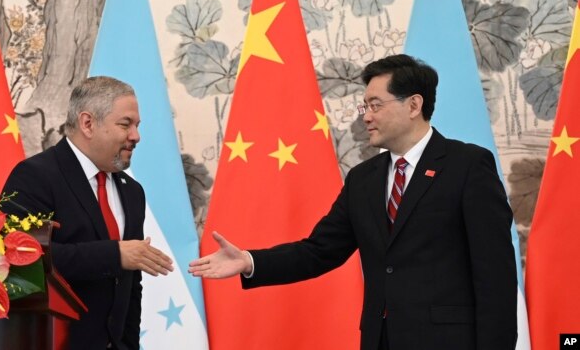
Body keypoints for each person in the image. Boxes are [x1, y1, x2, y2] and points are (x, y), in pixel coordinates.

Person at [189, 54, 517, 350]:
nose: (366, 117)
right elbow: (319, 251)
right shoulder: (364, 179)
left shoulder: (468, 165)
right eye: (365, 107)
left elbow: (495, 277)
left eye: (375, 105)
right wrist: (249, 261)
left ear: (414, 105)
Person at [2, 76, 174, 350]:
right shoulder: (35, 176)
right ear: (88, 123)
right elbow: (21, 260)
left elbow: (130, 289)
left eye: (137, 125)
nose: (136, 136)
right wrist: (115, 254)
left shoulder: (133, 192)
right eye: (125, 124)